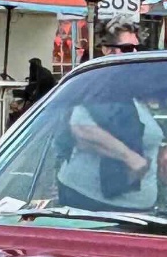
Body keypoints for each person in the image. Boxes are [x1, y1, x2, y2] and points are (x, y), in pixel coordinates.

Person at [56, 22, 156, 210]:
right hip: (93, 199)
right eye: (127, 48)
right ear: (106, 50)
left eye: (138, 48)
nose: (134, 54)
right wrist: (131, 158)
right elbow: (80, 127)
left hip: (130, 201)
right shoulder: (101, 85)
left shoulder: (130, 85)